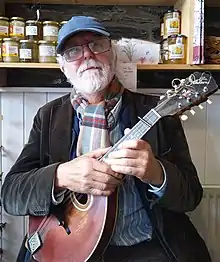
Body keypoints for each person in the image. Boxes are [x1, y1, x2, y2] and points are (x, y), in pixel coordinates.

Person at [1, 16, 211, 262]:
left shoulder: (158, 113)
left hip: (144, 247)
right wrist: (61, 176)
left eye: (97, 44)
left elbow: (191, 196)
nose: (87, 55)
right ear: (62, 66)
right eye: (73, 51)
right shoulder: (48, 116)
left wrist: (157, 172)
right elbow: (11, 194)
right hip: (67, 246)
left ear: (112, 54)